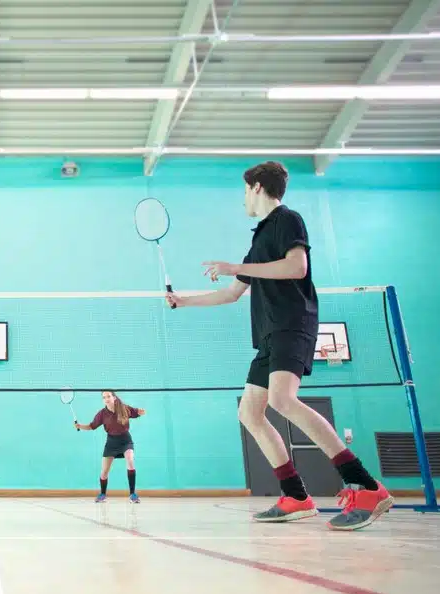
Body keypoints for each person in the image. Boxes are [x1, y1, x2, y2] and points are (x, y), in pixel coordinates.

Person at [166, 160, 394, 531]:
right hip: (270, 335)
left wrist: (234, 265)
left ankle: (368, 487)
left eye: (244, 190)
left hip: (293, 322)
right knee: (250, 413)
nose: (243, 198)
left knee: (282, 401)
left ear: (257, 187)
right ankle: (296, 496)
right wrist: (185, 301)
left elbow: (296, 267)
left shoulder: (288, 219)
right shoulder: (258, 241)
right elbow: (231, 294)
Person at [75, 390, 145, 503]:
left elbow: (136, 412)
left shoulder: (124, 408)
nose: (106, 399)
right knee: (104, 472)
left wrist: (140, 412)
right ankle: (102, 494)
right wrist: (80, 426)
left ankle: (133, 494)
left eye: (108, 396)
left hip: (125, 440)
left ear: (114, 397)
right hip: (111, 443)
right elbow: (92, 426)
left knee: (130, 461)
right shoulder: (102, 414)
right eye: (104, 397)